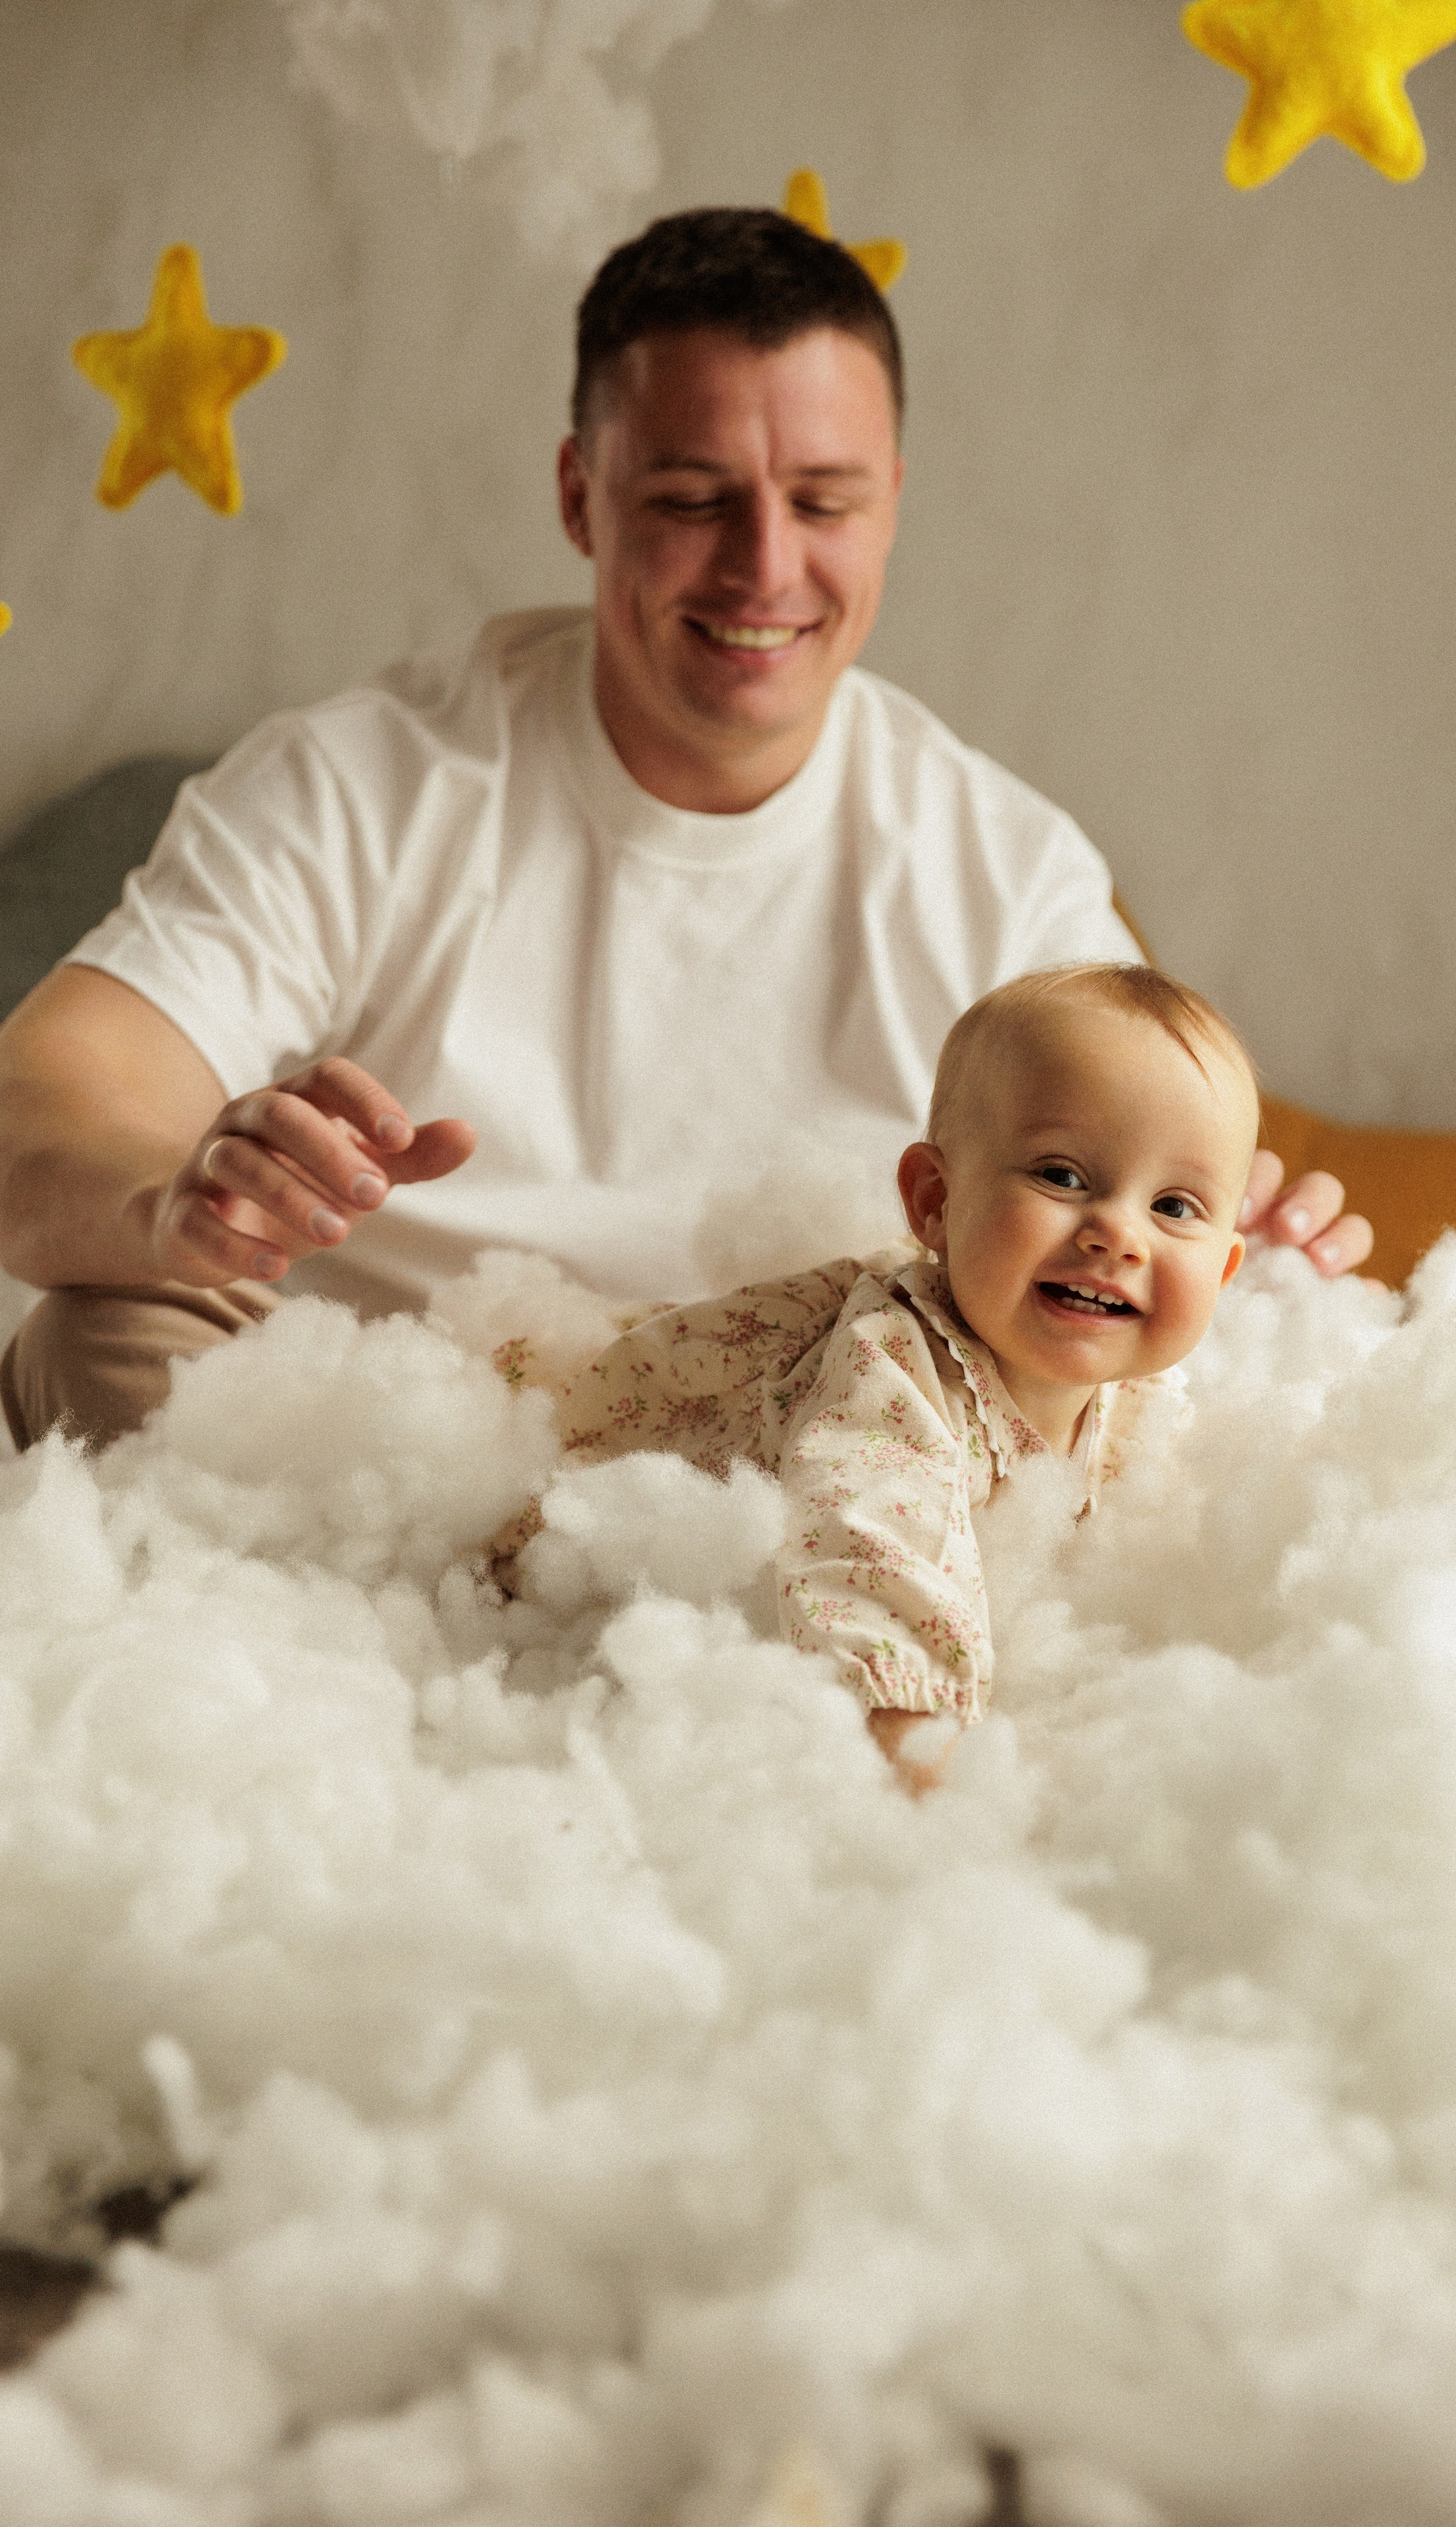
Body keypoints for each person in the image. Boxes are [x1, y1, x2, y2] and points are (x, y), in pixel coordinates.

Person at [0, 207, 1367, 1454]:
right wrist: (176, 1204)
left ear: (891, 498)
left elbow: (1133, 1199)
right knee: (99, 1334)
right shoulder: (359, 782)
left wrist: (1221, 1230)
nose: (763, 566)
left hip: (796, 1484)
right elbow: (45, 1100)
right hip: (382, 1461)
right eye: (690, 499)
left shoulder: (999, 867)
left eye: (822, 500)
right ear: (579, 495)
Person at [497, 961, 1257, 1795]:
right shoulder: (894, 1365)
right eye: (1061, 1177)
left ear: (1223, 1271)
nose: (1118, 1235)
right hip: (603, 1479)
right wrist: (908, 1724)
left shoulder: (1138, 1393)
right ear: (934, 1200)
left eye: (1175, 1207)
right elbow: (863, 1531)